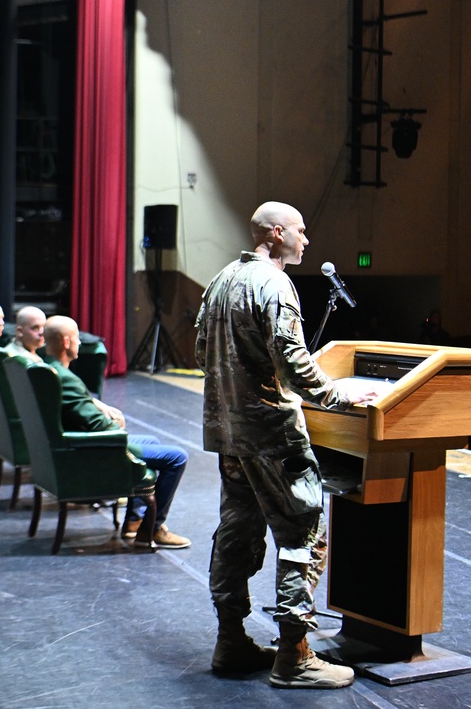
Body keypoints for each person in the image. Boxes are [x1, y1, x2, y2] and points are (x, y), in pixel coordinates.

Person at [195, 201, 380, 688]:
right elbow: (295, 363)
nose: (306, 239)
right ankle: (295, 656)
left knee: (236, 533)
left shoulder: (220, 281)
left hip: (229, 435)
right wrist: (337, 393)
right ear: (276, 234)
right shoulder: (275, 284)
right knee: (303, 534)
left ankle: (231, 640)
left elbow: (200, 352)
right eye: (300, 231)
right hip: (271, 436)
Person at [44, 315, 191, 549]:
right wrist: (117, 427)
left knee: (152, 440)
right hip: (90, 447)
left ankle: (134, 521)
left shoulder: (49, 370)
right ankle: (151, 530)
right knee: (177, 457)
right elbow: (99, 427)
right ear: (65, 341)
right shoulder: (66, 379)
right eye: (77, 339)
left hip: (74, 442)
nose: (80, 344)